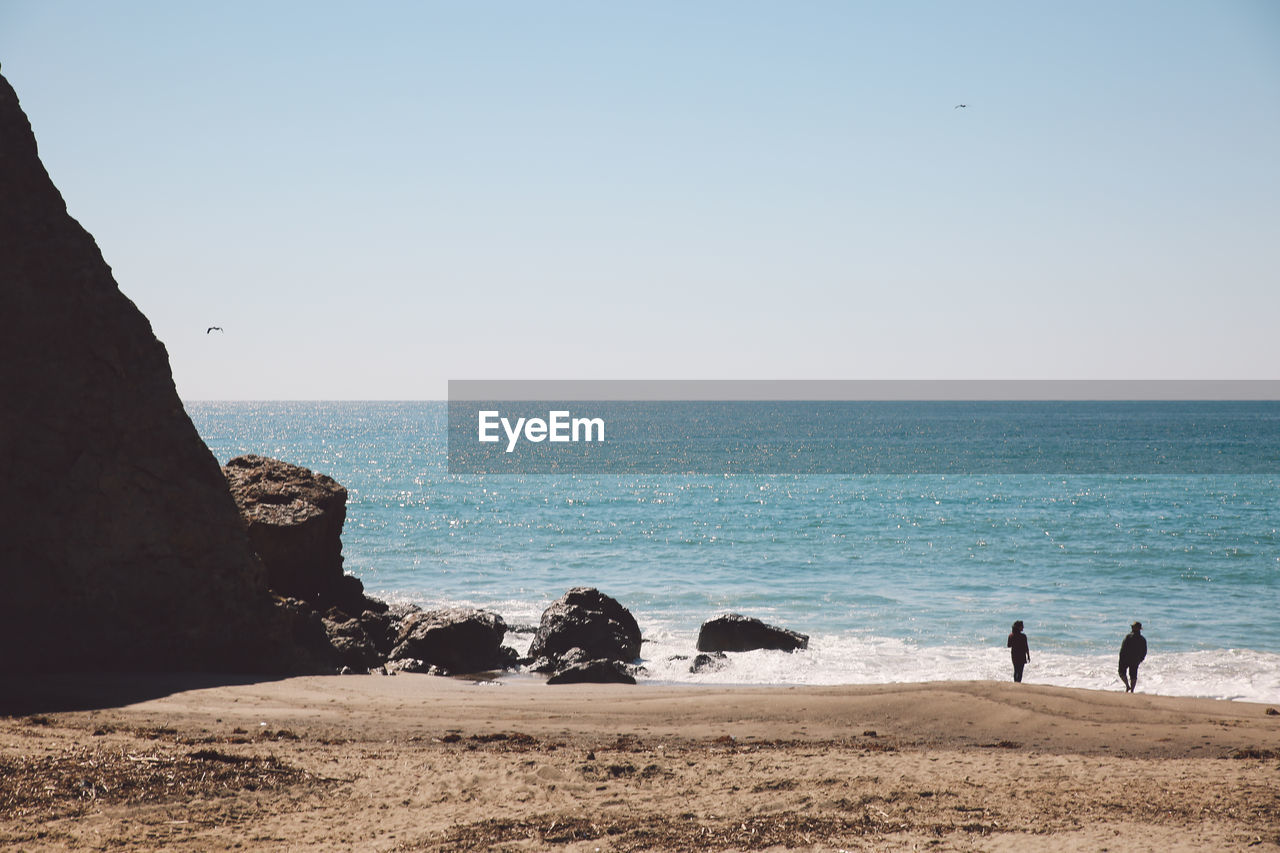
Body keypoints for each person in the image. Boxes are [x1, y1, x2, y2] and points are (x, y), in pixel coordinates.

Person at [1118, 621, 1147, 692]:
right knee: (1133, 675)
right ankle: (1132, 690)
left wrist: (1121, 657)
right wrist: (1141, 659)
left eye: (1132, 627)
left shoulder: (1128, 637)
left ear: (1135, 628)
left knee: (1121, 672)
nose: (1131, 628)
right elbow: (1144, 651)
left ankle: (1127, 686)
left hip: (1126, 658)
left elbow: (1123, 648)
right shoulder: (1142, 639)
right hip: (1136, 659)